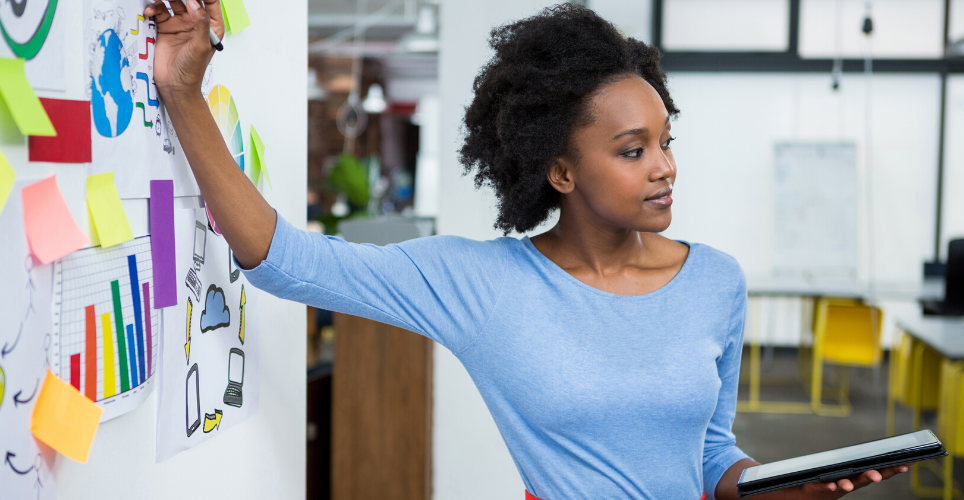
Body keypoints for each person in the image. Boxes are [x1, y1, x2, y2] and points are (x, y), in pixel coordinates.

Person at [144, 1, 908, 498]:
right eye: (633, 150)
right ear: (562, 169)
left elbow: (710, 455)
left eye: (665, 143)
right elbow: (282, 259)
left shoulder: (715, 282)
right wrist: (181, 92)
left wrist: (775, 486)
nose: (665, 166)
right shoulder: (484, 285)